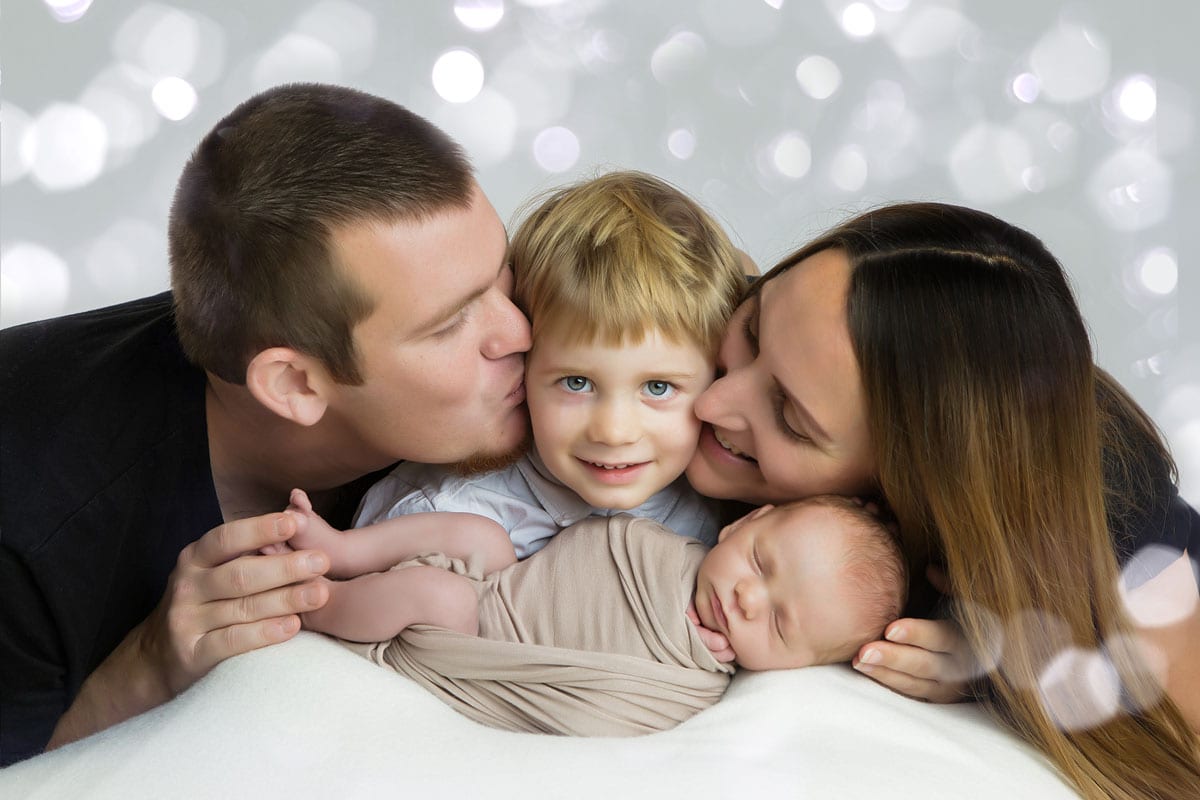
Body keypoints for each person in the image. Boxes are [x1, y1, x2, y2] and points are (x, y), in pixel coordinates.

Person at [0, 83, 531, 764]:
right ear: (295, 384)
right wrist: (145, 671)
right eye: (453, 321)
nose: (519, 331)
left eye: (501, 274)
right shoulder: (29, 533)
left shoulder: (506, 358)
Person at [682, 201, 1200, 798]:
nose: (711, 403)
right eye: (751, 330)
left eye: (792, 420)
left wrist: (997, 659)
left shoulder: (1117, 532)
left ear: (899, 491)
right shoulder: (768, 323)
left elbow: (1179, 746)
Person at [283, 487, 907, 735]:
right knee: (483, 537)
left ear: (794, 667)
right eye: (761, 563)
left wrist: (690, 649)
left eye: (777, 623)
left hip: (479, 646)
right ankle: (342, 550)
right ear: (749, 520)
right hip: (503, 587)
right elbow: (599, 544)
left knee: (438, 595)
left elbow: (620, 701)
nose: (746, 596)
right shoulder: (666, 544)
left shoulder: (692, 680)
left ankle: (319, 607)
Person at [353, 170, 746, 557]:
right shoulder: (435, 518)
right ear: (523, 364)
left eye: (657, 387)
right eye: (577, 382)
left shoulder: (726, 524)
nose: (613, 432)